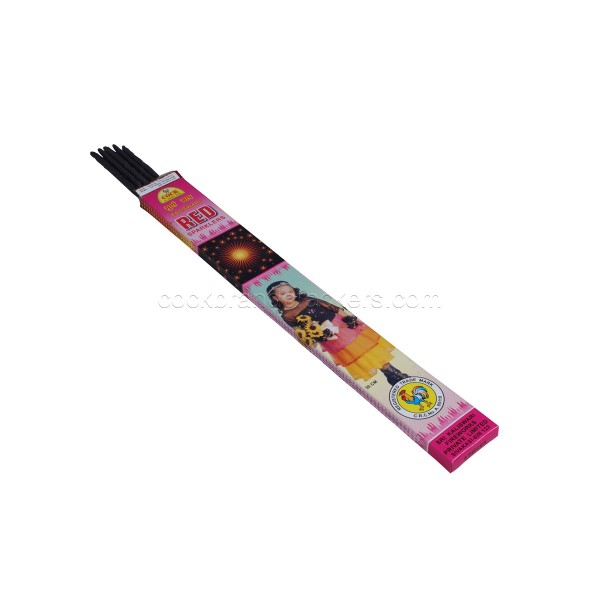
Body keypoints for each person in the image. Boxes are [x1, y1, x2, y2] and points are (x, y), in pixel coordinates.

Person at [266, 281, 409, 386]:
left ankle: (393, 372)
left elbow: (334, 308)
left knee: (367, 349)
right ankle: (391, 374)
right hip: (330, 338)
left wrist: (350, 318)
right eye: (283, 293)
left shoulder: (309, 300)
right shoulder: (287, 316)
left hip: (342, 326)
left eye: (290, 291)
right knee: (357, 354)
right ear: (275, 298)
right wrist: (317, 337)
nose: (288, 295)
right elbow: (301, 333)